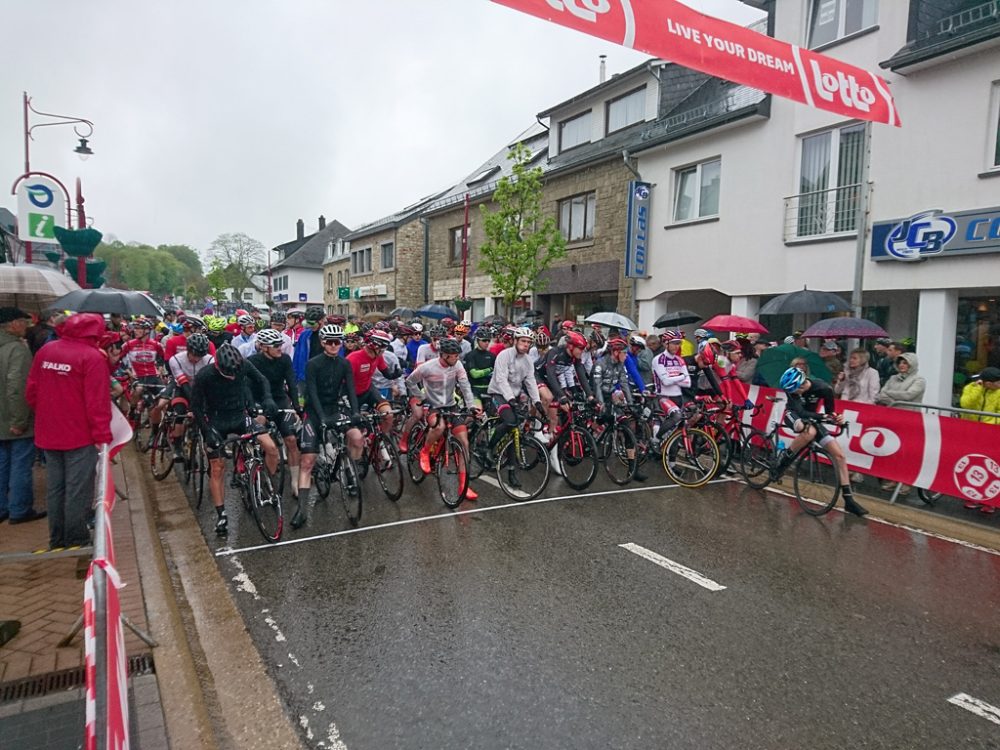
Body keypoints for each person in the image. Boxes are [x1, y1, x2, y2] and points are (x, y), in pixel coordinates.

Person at [26, 313, 113, 548]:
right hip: (80, 434)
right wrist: (102, 435)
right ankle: (76, 538)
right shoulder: (92, 357)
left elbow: (31, 390)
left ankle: (57, 537)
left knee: (56, 487)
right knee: (78, 488)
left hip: (48, 431)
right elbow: (97, 402)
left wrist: (49, 412)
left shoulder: (46, 350)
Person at [191, 343, 278, 536]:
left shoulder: (243, 365)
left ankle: (266, 485)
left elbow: (262, 380)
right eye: (227, 374)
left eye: (234, 373)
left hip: (240, 415)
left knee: (271, 448)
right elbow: (195, 407)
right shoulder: (205, 375)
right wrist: (207, 432)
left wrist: (268, 398)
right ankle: (221, 514)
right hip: (216, 420)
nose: (232, 377)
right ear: (218, 367)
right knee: (217, 466)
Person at [293, 324, 362, 529]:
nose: (334, 345)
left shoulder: (344, 363)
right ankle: (302, 510)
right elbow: (311, 393)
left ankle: (350, 473)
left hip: (334, 408)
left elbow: (351, 389)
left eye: (337, 342)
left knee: (357, 437)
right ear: (323, 342)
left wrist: (356, 412)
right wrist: (321, 417)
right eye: (330, 342)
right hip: (315, 412)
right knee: (308, 462)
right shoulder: (313, 364)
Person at [775, 367, 868, 517]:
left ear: (802, 384)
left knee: (840, 456)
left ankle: (849, 500)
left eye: (795, 390)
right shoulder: (792, 390)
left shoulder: (823, 388)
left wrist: (837, 418)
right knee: (806, 430)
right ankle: (784, 460)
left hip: (812, 419)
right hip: (794, 414)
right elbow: (802, 412)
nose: (793, 393)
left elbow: (830, 411)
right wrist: (825, 417)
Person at [405, 337, 479, 500]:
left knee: (464, 442)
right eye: (455, 356)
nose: (458, 358)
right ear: (444, 355)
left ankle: (463, 486)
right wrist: (420, 397)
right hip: (432, 405)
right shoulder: (428, 367)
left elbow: (465, 386)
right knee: (439, 427)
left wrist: (471, 405)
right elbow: (410, 381)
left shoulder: (457, 365)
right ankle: (424, 452)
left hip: (450, 405)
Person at [0, 308, 43, 524]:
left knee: (2, 463)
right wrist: (19, 420)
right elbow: (17, 387)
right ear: (13, 324)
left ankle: (2, 507)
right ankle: (19, 508)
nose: (27, 326)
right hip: (14, 419)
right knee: (20, 464)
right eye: (23, 322)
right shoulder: (16, 350)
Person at [248, 328, 301, 493]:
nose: (280, 347)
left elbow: (291, 383)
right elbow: (247, 388)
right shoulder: (252, 361)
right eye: (276, 345)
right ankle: (263, 472)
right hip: (259, 400)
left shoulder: (285, 359)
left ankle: (295, 481)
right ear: (264, 347)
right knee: (262, 429)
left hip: (279, 399)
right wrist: (253, 409)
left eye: (281, 344)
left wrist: (297, 407)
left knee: (291, 439)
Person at [874, 352, 926, 495]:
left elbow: (909, 395)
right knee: (893, 451)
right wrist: (894, 400)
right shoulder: (892, 378)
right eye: (900, 363)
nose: (902, 366)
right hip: (893, 418)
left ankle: (906, 483)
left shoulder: (919, 380)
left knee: (906, 453)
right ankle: (893, 480)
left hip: (910, 420)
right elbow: (881, 394)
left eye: (905, 363)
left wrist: (890, 396)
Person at [465, 326, 496, 408]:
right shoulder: (470, 355)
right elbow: (475, 374)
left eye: (488, 340)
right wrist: (490, 370)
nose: (487, 343)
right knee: (478, 412)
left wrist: (484, 372)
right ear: (477, 340)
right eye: (484, 340)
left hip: (490, 390)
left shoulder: (492, 356)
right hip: (475, 390)